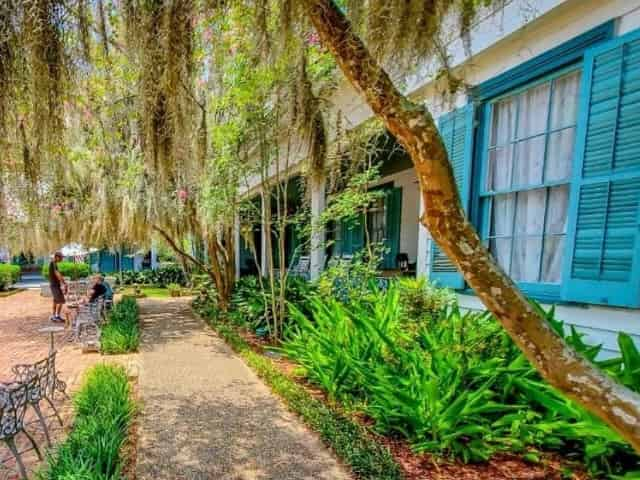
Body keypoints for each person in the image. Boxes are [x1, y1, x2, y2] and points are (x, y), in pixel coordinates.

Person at [48, 252, 67, 322]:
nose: (62, 259)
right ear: (56, 257)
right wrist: (64, 283)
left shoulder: (54, 263)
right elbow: (57, 274)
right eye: (61, 257)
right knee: (61, 301)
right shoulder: (53, 263)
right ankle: (57, 316)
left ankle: (54, 316)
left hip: (54, 285)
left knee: (55, 301)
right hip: (54, 285)